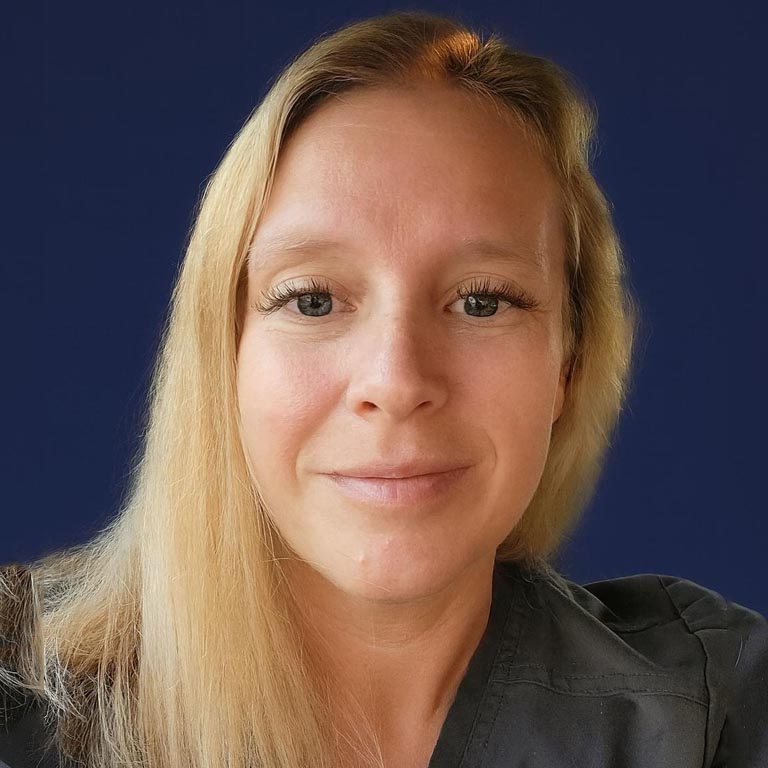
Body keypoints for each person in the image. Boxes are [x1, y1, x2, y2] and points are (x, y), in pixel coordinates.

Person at [1, 10, 765, 768]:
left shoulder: (717, 712)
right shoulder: (16, 708)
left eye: (482, 301)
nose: (396, 382)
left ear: (569, 362)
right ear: (221, 357)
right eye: (312, 300)